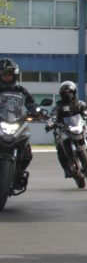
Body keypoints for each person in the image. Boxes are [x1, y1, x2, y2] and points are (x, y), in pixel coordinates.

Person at [0, 58, 36, 191]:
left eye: (10, 74)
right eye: (4, 74)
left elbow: (31, 104)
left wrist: (35, 111)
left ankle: (18, 174)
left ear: (14, 76)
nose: (7, 77)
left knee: (27, 153)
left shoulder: (21, 90)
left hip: (16, 123)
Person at [49, 81, 87, 177]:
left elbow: (86, 110)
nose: (68, 94)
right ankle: (67, 169)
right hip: (65, 129)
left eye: (70, 92)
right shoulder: (59, 106)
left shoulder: (80, 104)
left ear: (74, 92)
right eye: (65, 92)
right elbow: (53, 115)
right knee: (59, 147)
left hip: (79, 126)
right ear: (62, 94)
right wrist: (51, 122)